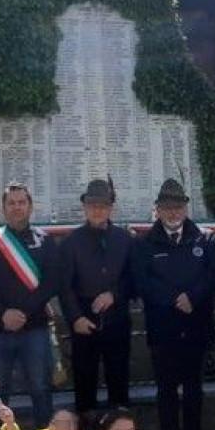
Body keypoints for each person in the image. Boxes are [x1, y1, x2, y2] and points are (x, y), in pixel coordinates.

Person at [134, 179, 215, 430]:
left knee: (194, 389)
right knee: (166, 391)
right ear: (158, 210)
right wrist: (173, 298)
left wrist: (193, 297)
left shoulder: (205, 239)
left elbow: (214, 274)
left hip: (195, 326)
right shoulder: (145, 243)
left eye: (178, 207)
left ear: (186, 208)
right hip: (163, 328)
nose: (173, 213)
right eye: (167, 207)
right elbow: (142, 281)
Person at [0, 182, 62, 430]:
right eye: (11, 203)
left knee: (41, 389)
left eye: (22, 202)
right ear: (4, 208)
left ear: (30, 206)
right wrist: (4, 313)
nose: (17, 207)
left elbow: (52, 282)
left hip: (34, 327)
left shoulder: (44, 241)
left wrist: (24, 311)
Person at [58, 177, 137, 414]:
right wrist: (75, 318)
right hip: (84, 320)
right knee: (84, 385)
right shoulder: (70, 243)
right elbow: (64, 285)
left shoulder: (126, 240)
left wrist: (115, 294)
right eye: (92, 205)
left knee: (119, 383)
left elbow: (133, 278)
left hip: (116, 319)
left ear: (111, 208)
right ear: (84, 207)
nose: (97, 210)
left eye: (103, 205)